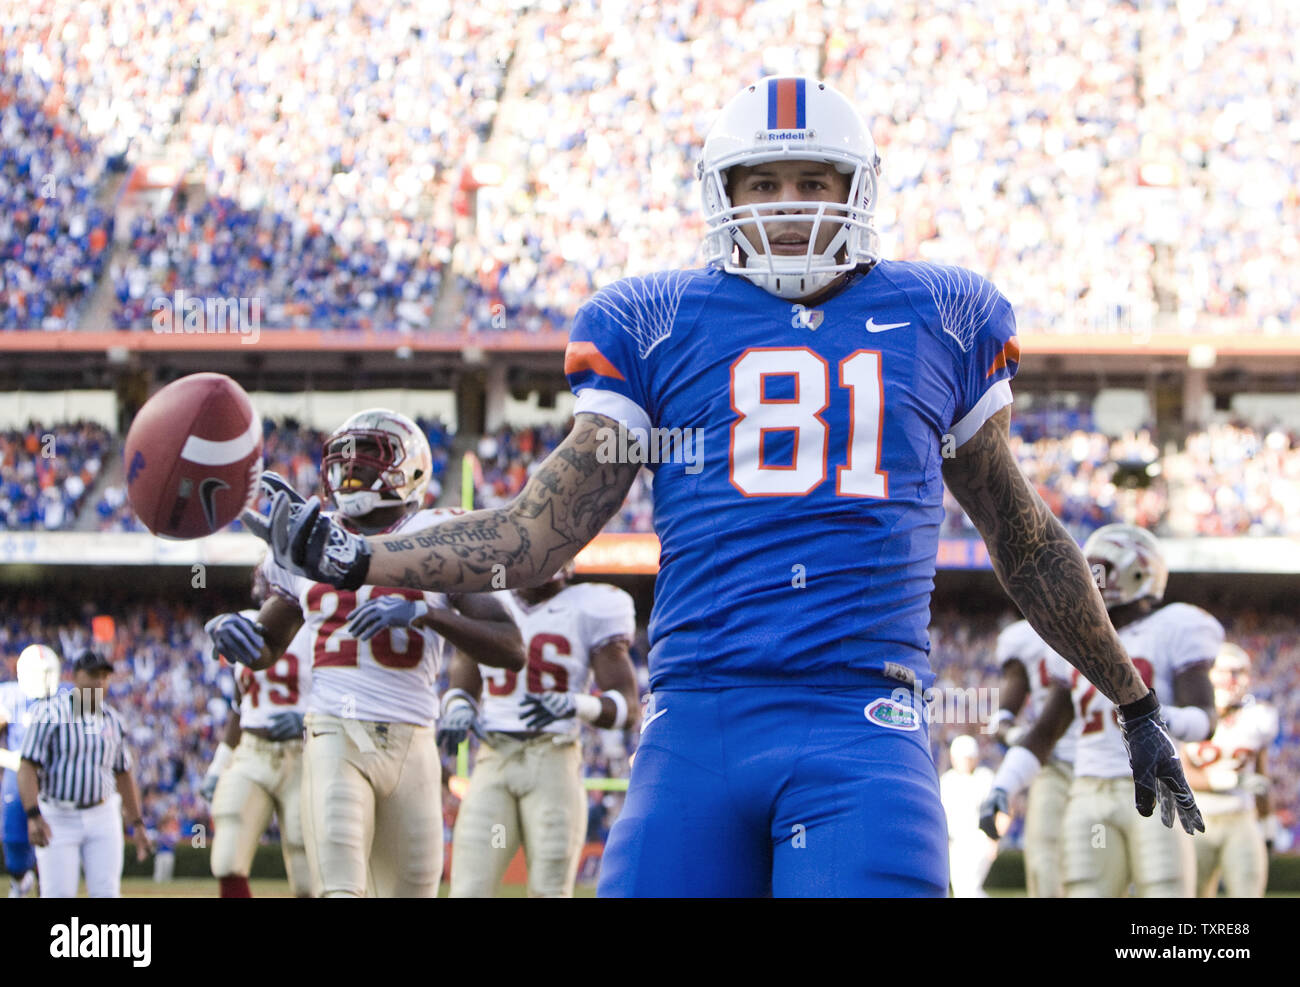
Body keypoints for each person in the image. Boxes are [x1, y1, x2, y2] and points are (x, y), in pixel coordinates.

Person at [244, 78, 1204, 897]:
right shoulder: (654, 320)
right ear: (724, 192)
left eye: (813, 180)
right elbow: (538, 534)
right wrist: (358, 555)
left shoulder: (940, 314)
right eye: (766, 182)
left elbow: (1024, 537)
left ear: (856, 188)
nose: (790, 203)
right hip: (696, 711)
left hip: (862, 713)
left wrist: (1133, 699)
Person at [209, 408, 523, 897]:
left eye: (366, 463)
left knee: (414, 891)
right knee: (340, 890)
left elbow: (510, 648)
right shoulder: (308, 539)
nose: (350, 474)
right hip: (335, 732)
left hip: (414, 739)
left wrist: (428, 614)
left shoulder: (439, 533)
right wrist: (232, 632)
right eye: (344, 464)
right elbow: (267, 645)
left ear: (409, 470)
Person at [981, 525, 1218, 897]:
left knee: (1164, 892)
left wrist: (1152, 718)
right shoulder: (1074, 639)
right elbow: (1044, 733)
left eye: (1100, 569)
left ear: (1137, 571)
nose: (1091, 579)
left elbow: (1205, 720)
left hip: (1152, 787)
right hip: (1089, 795)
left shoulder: (1174, 627)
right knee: (1087, 890)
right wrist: (1004, 784)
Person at [425, 562, 639, 897]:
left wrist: (576, 704)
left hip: (553, 758)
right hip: (495, 758)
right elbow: (463, 682)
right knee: (470, 887)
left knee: (550, 889)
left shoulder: (589, 606)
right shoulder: (488, 603)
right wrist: (458, 707)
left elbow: (627, 708)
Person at [202, 568, 315, 898]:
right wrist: (217, 765)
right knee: (227, 856)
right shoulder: (245, 622)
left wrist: (306, 719)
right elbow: (240, 706)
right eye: (260, 573)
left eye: (271, 571)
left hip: (305, 751)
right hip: (252, 750)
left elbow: (341, 689)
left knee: (309, 866)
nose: (261, 581)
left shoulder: (317, 622)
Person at [17, 651, 153, 898]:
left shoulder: (113, 719)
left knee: (107, 892)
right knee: (58, 893)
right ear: (74, 676)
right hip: (59, 814)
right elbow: (27, 767)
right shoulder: (51, 714)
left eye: (104, 676)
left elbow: (123, 773)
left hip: (103, 813)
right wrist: (33, 814)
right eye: (92, 675)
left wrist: (137, 822)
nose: (99, 682)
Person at [989, 619, 1080, 896]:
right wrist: (1019, 739)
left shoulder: (1119, 627)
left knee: (1097, 867)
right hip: (1052, 763)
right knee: (1044, 863)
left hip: (1108, 767)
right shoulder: (1024, 638)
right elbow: (1001, 719)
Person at [1183, 642, 1279, 897]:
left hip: (1240, 816)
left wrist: (1268, 822)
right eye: (1225, 672)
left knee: (1248, 890)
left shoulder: (1258, 717)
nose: (1232, 680)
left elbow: (1261, 777)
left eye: (1238, 672)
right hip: (1196, 818)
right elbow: (1181, 773)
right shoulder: (1189, 715)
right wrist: (1231, 780)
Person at [0, 644, 63, 897]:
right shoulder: (9, 694)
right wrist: (8, 757)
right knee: (14, 840)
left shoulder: (71, 694)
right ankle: (21, 880)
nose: (44, 678)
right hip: (19, 774)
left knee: (55, 838)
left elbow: (97, 727)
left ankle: (45, 883)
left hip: (55, 777)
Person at [940, 735, 997, 897]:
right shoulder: (947, 780)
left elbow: (1002, 809)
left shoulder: (985, 778)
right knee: (962, 890)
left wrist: (994, 838)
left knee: (969, 888)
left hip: (978, 840)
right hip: (955, 843)